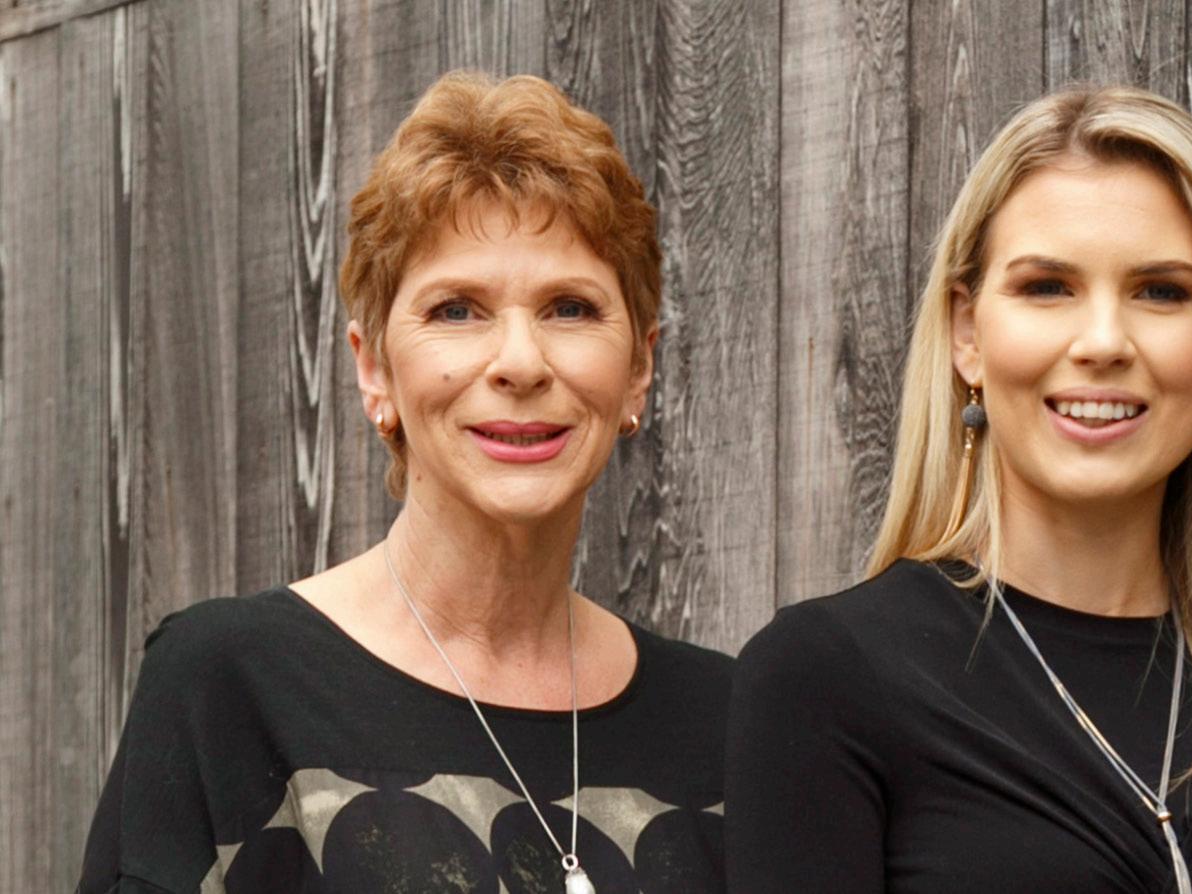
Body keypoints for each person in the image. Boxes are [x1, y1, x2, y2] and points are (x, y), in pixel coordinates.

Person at [725, 86, 1192, 893]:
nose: (1102, 342)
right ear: (967, 333)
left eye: (1161, 291)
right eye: (1047, 287)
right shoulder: (825, 680)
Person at [78, 72, 730, 894]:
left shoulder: (731, 722)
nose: (520, 362)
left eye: (569, 308)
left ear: (638, 368)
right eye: (457, 309)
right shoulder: (229, 686)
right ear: (375, 369)